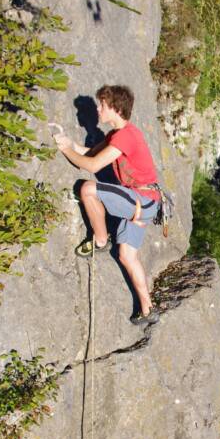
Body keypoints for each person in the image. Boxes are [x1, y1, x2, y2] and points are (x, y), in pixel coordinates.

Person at [53, 85, 161, 325]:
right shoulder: (118, 135)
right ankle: (148, 309)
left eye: (102, 105)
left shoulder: (126, 136)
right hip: (145, 202)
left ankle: (100, 241)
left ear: (114, 108)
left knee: (87, 189)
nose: (98, 110)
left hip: (140, 200)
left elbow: (91, 167)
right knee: (126, 255)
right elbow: (91, 154)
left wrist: (65, 150)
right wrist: (68, 143)